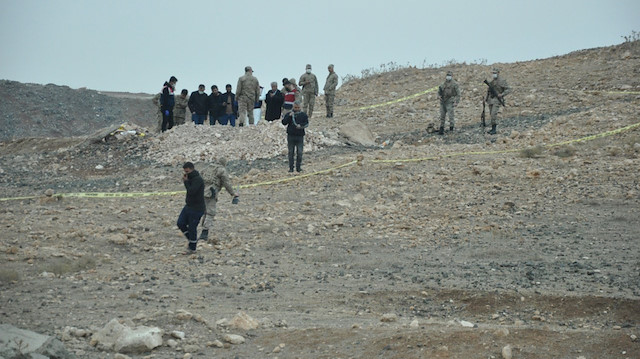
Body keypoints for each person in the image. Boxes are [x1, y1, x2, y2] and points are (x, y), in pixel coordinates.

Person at [199, 158, 239, 244]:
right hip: (211, 193)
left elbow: (200, 176)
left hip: (201, 192)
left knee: (204, 211)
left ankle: (200, 229)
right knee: (210, 213)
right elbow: (226, 183)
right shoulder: (222, 170)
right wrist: (233, 193)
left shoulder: (208, 167)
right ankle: (204, 233)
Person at [177, 162, 205, 254]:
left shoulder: (198, 179)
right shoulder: (191, 178)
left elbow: (191, 191)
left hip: (197, 208)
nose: (186, 173)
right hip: (188, 206)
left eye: (187, 171)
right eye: (185, 172)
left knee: (192, 228)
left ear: (192, 169)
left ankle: (192, 248)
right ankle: (192, 240)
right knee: (180, 223)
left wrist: (186, 182)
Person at [281, 102, 309, 173]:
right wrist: (289, 116)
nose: (296, 109)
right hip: (291, 136)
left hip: (300, 136)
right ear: (293, 107)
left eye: (298, 108)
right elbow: (284, 122)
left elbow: (306, 123)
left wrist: (300, 125)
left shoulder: (303, 115)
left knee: (299, 152)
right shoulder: (289, 114)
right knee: (291, 153)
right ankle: (291, 168)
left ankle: (298, 168)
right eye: (295, 108)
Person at [485, 68, 511, 135]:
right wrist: (486, 98)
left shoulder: (502, 81)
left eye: (495, 73)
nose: (494, 74)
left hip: (497, 100)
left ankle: (494, 129)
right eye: (493, 73)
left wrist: (501, 94)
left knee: (494, 114)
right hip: (491, 99)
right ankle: (492, 128)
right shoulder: (492, 81)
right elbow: (489, 90)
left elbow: (508, 89)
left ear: (498, 73)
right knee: (491, 114)